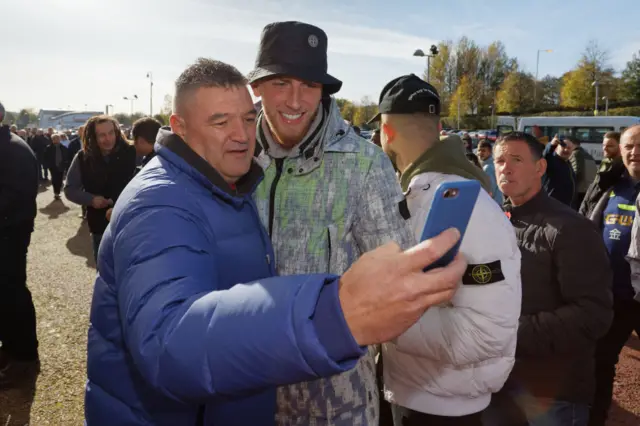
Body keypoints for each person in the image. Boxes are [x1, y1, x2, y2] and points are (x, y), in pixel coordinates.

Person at [85, 58, 467, 426]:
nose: (240, 134)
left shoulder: (224, 185)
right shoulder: (162, 204)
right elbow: (168, 342)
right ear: (179, 126)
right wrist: (333, 316)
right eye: (220, 122)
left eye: (247, 119)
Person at [248, 21, 415, 425]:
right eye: (281, 83)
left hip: (334, 402)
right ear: (257, 87)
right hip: (245, 391)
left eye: (309, 85)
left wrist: (332, 334)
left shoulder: (364, 164)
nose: (295, 99)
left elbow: (397, 281)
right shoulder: (233, 157)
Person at [370, 75, 521, 426]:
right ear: (437, 126)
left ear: (386, 132)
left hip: (440, 407)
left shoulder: (469, 205)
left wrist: (382, 319)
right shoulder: (417, 193)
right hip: (414, 390)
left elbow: (486, 332)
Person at [484, 131, 613, 426]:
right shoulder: (493, 221)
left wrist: (510, 333)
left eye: (516, 160)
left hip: (554, 393)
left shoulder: (571, 229)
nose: (505, 168)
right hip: (498, 382)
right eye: (500, 160)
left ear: (540, 168)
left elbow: (593, 314)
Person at [587, 125, 640, 426]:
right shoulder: (609, 186)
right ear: (621, 151)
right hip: (613, 296)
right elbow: (588, 226)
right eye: (629, 146)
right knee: (600, 363)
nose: (635, 152)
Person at [0, 102, 40, 388]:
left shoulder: (12, 148)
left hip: (9, 235)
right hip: (8, 232)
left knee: (11, 294)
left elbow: (14, 196)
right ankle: (12, 350)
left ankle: (23, 358)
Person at [64, 115, 137, 261]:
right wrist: (91, 200)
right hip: (99, 227)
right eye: (102, 135)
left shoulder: (133, 152)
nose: (108, 138)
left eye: (111, 133)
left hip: (131, 224)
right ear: (92, 137)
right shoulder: (82, 158)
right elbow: (70, 189)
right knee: (104, 273)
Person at [580, 132, 625, 218]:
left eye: (610, 146)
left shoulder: (621, 167)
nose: (605, 148)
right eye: (604, 145)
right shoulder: (605, 162)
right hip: (589, 210)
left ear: (620, 147)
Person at [541, 135, 576, 206]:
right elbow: (543, 157)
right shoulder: (551, 160)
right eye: (563, 147)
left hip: (565, 207)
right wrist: (551, 146)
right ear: (557, 148)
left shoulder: (567, 163)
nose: (566, 150)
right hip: (551, 206)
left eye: (569, 148)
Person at [565, 138, 598, 209]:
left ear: (573, 144)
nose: (566, 148)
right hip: (588, 190)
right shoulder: (588, 155)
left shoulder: (575, 154)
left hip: (579, 190)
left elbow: (576, 172)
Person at [44, 134, 69, 200]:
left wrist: (65, 164)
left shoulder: (63, 148)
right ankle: (56, 193)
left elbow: (66, 156)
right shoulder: (48, 148)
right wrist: (47, 164)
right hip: (53, 166)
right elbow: (45, 157)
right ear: (52, 140)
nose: (56, 140)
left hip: (61, 166)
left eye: (57, 138)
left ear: (60, 139)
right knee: (54, 179)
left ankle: (58, 190)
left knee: (60, 179)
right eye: (54, 139)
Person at [477, 139, 503, 204]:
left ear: (490, 152)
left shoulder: (488, 168)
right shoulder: (493, 164)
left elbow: (490, 190)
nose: (480, 153)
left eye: (483, 151)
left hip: (494, 203)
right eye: (479, 150)